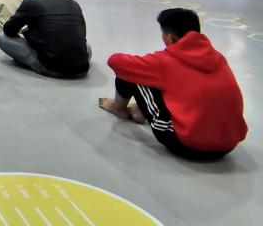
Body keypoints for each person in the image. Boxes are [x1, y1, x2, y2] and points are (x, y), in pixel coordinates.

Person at [100, 8, 247, 161]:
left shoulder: (165, 61)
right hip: (228, 145)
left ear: (170, 37)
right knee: (172, 84)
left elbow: (115, 61)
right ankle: (140, 109)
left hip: (187, 145)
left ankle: (119, 108)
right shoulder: (217, 57)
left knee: (130, 73)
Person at [0, 0, 90, 78]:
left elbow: (8, 29)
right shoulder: (73, 2)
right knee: (86, 45)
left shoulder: (31, 1)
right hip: (82, 67)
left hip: (51, 67)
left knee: (1, 37)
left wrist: (25, 34)